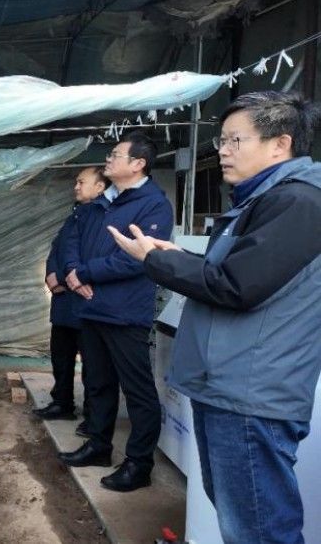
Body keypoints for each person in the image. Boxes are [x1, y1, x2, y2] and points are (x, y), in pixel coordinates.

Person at [110, 91, 321, 542]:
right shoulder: (263, 201)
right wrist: (174, 256)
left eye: (234, 140)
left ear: (280, 144)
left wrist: (156, 260)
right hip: (231, 386)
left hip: (250, 393)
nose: (222, 151)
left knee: (257, 529)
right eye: (221, 140)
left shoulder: (298, 202)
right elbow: (234, 274)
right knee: (243, 519)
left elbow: (237, 285)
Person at [58, 131, 174, 492]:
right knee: (97, 382)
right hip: (92, 306)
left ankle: (139, 463)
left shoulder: (154, 205)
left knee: (137, 390)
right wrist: (73, 273)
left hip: (125, 312)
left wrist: (85, 273)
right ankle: (98, 445)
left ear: (138, 164)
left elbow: (139, 259)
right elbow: (71, 239)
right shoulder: (101, 202)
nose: (108, 159)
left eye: (115, 155)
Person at [34, 167, 108, 436]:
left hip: (85, 301)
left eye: (81, 182)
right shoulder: (74, 215)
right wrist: (50, 274)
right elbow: (58, 249)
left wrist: (66, 279)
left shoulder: (104, 216)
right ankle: (62, 402)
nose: (76, 186)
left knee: (93, 365)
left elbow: (89, 257)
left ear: (100, 187)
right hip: (64, 302)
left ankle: (93, 416)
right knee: (61, 356)